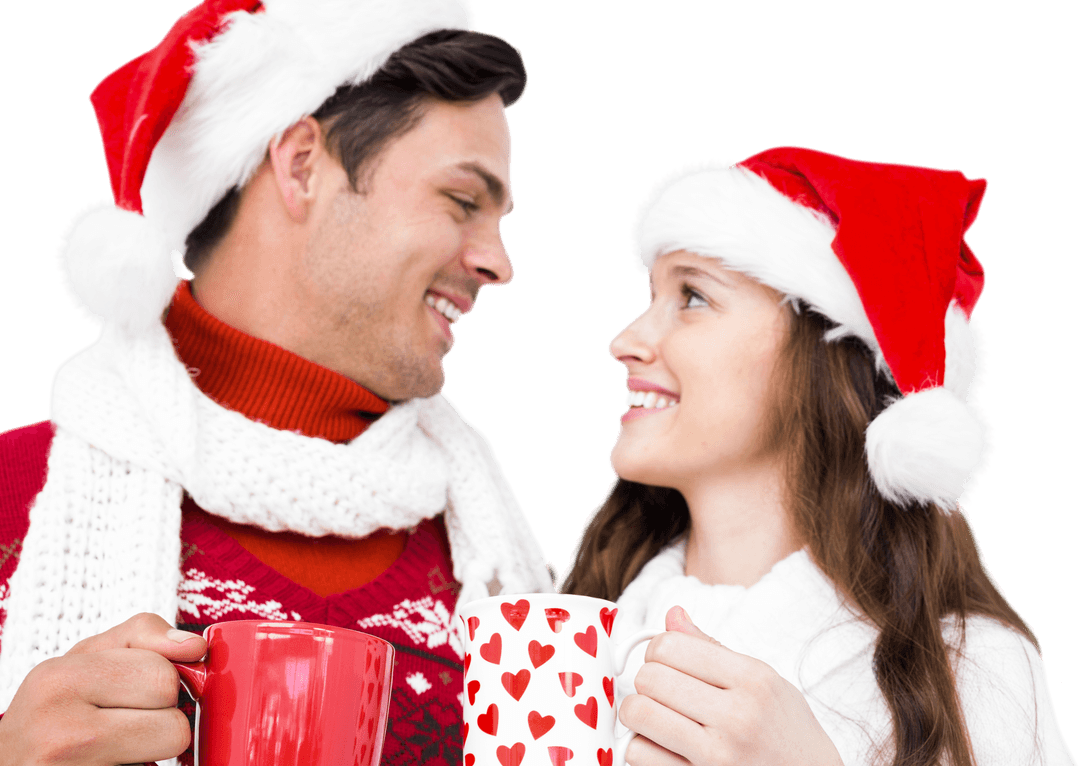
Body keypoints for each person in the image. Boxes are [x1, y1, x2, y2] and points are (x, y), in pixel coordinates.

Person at [0, 1, 555, 764]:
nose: (499, 263)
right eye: (463, 201)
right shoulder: (10, 502)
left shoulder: (505, 572)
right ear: (301, 165)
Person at [560, 147, 1077, 766]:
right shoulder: (560, 641)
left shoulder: (975, 672)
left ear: (823, 353)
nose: (625, 341)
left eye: (693, 296)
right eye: (651, 296)